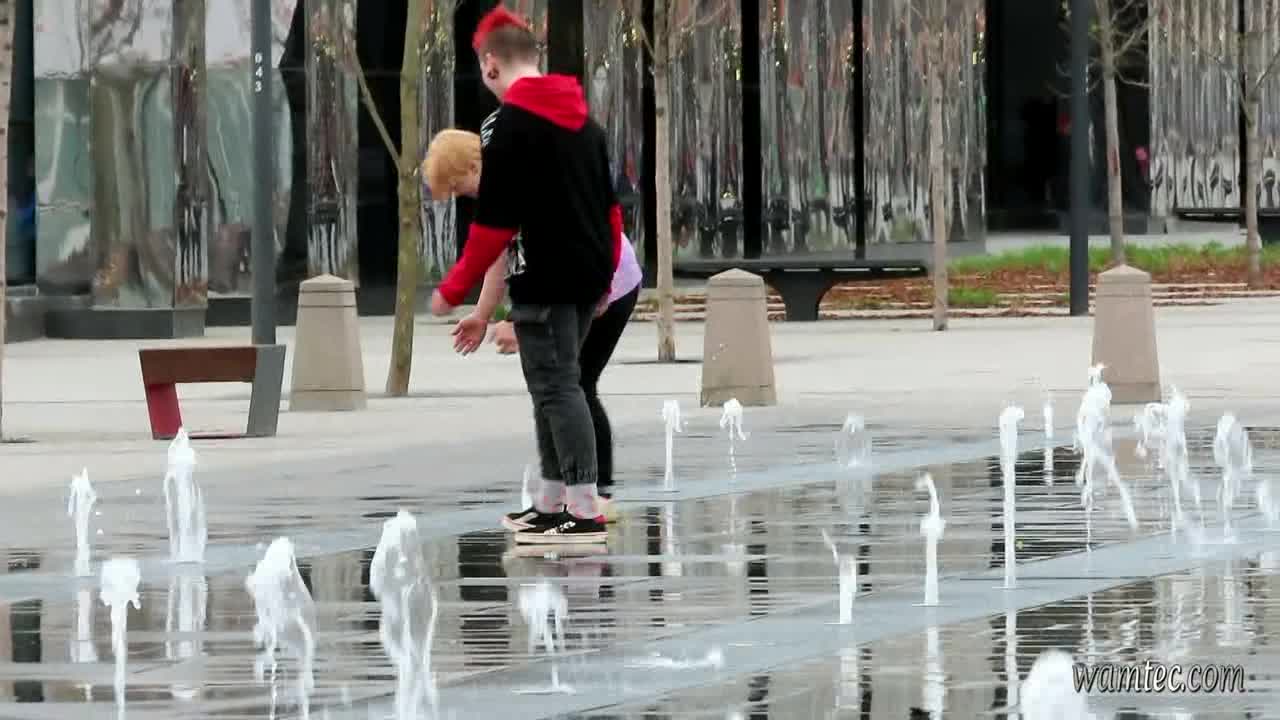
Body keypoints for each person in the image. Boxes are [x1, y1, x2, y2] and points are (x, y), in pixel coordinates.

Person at [429, 6, 624, 545]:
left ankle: (581, 509)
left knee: (558, 387)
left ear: (491, 64)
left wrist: (454, 290)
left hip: (546, 275)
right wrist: (605, 279)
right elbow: (611, 210)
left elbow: (494, 223)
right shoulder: (585, 123)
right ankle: (551, 501)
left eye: (482, 70)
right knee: (551, 388)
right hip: (584, 274)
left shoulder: (512, 126)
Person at [423, 129, 642, 527]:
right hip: (577, 285)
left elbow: (548, 252)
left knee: (571, 386)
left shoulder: (520, 180)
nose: (461, 196)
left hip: (608, 282)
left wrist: (515, 318)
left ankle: (593, 497)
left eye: (457, 186)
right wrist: (482, 315)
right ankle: (559, 498)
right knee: (558, 387)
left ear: (473, 166)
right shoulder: (500, 191)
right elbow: (497, 256)